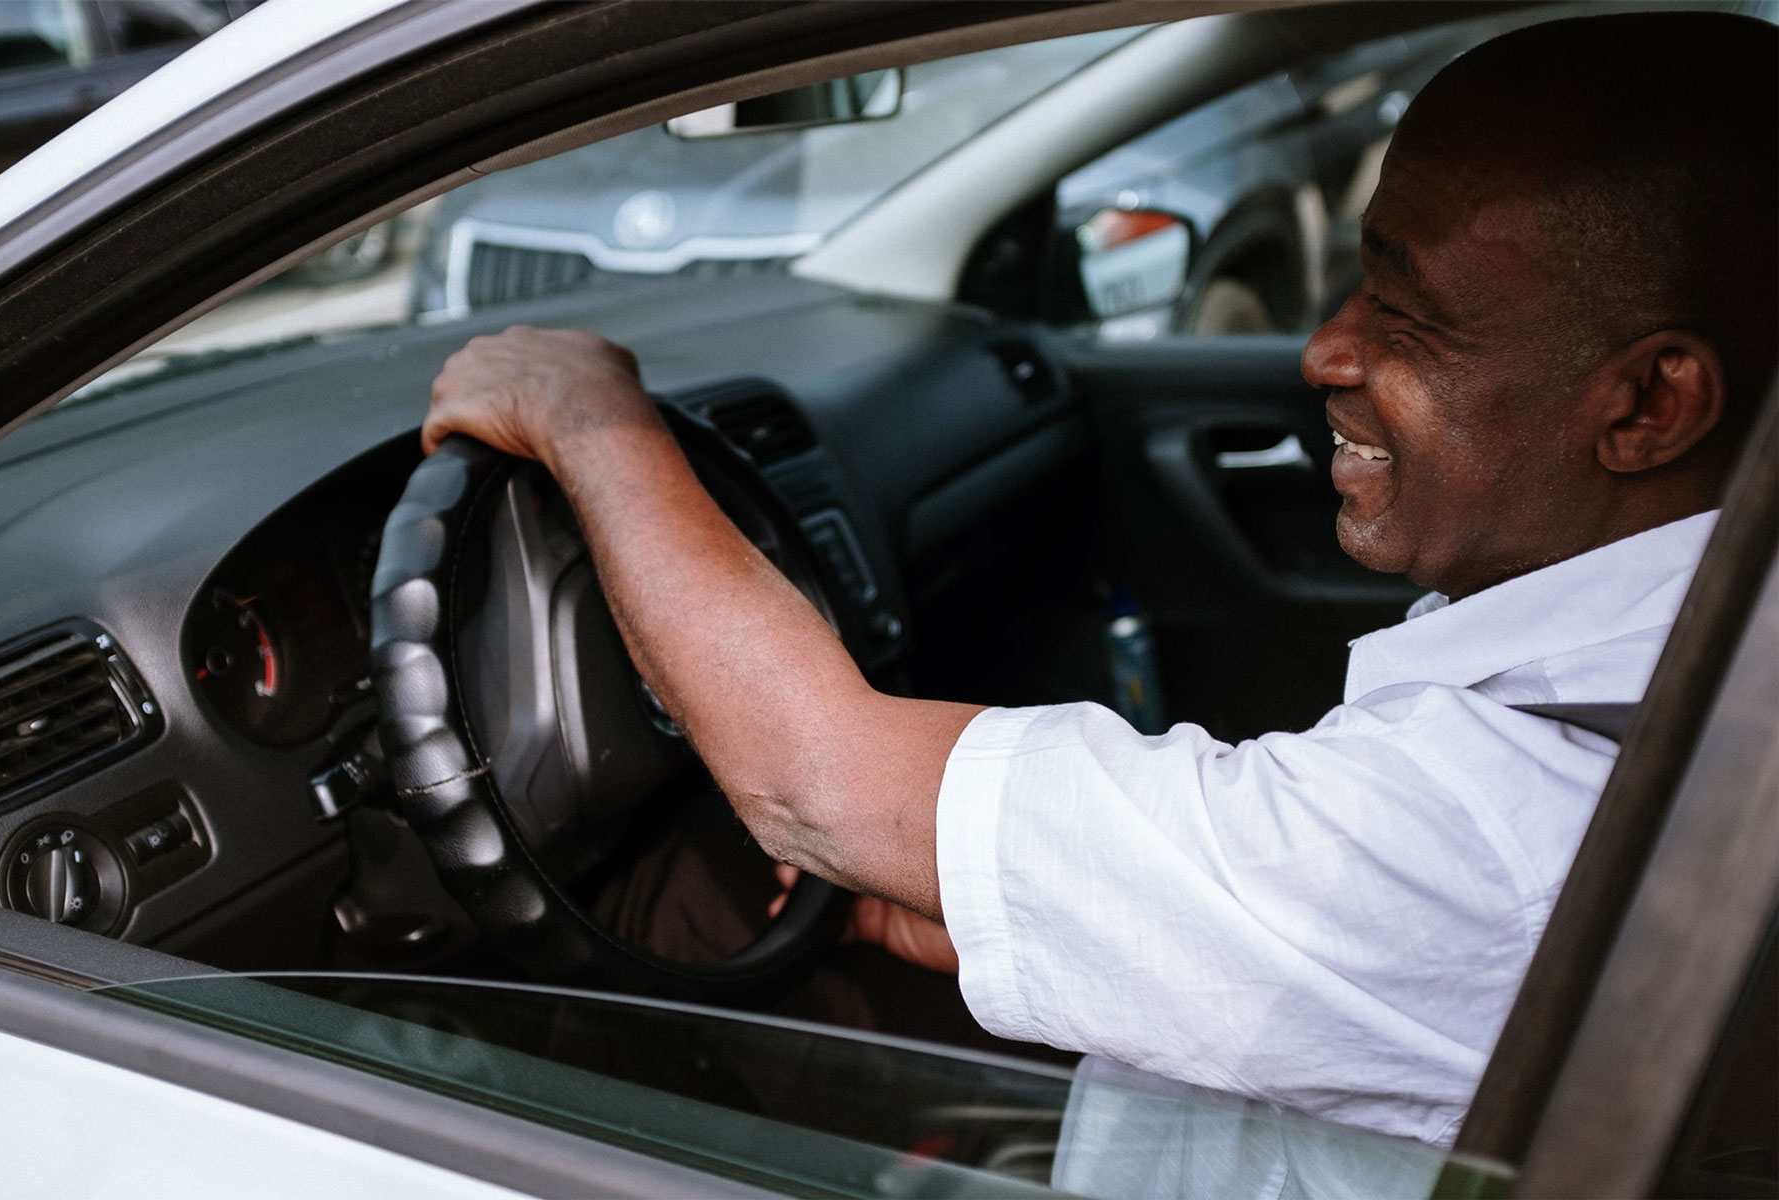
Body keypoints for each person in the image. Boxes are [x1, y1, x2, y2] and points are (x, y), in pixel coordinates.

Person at [419, 12, 1777, 1150]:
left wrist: (586, 417)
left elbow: (806, 783)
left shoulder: (1497, 829)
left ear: (1652, 404)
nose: (1322, 353)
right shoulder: (1685, 686)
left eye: (1406, 312)